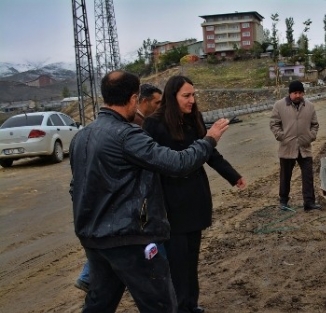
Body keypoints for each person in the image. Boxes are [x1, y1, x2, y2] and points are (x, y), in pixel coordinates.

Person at [70, 70, 230, 313]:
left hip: (93, 238)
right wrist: (209, 140)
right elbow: (178, 164)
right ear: (134, 98)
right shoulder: (127, 136)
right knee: (160, 305)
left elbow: (76, 187)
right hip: (130, 240)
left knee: (99, 304)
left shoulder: (81, 137)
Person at [143, 75, 245, 313]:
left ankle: (191, 304)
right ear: (172, 96)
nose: (192, 100)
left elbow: (209, 153)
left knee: (191, 260)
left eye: (193, 95)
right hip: (171, 204)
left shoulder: (194, 118)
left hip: (194, 198)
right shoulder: (154, 124)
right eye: (186, 96)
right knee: (176, 262)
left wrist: (233, 175)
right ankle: (178, 307)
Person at [74, 83, 164, 293]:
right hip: (126, 219)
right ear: (139, 100)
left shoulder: (88, 135)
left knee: (104, 289)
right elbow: (164, 161)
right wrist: (207, 141)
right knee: (155, 292)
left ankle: (89, 277)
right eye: (157, 103)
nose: (160, 107)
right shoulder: (133, 128)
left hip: (100, 222)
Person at [270, 80, 321, 211]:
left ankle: (309, 203)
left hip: (304, 147)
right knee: (285, 176)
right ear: (290, 94)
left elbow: (315, 124)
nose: (297, 95)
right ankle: (283, 201)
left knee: (308, 177)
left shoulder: (309, 106)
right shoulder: (279, 105)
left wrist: (311, 136)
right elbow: (274, 124)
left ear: (303, 93)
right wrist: (281, 136)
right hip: (287, 147)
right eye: (295, 93)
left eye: (300, 93)